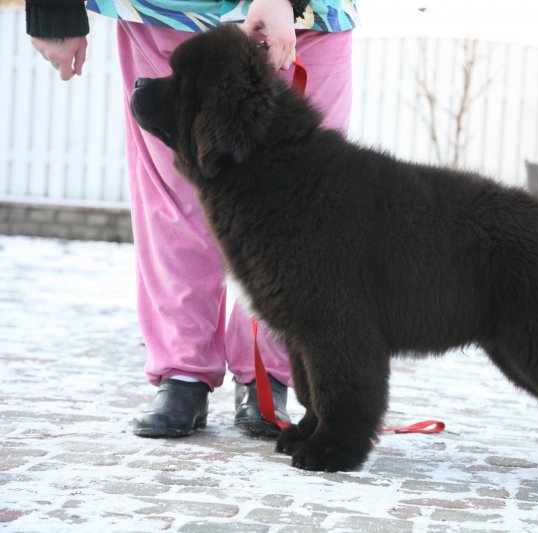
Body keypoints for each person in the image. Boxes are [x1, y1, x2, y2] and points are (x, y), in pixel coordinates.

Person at [25, 0, 359, 438]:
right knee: (175, 199)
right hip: (174, 12)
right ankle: (182, 371)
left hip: (310, 16)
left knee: (301, 206)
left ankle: (268, 373)